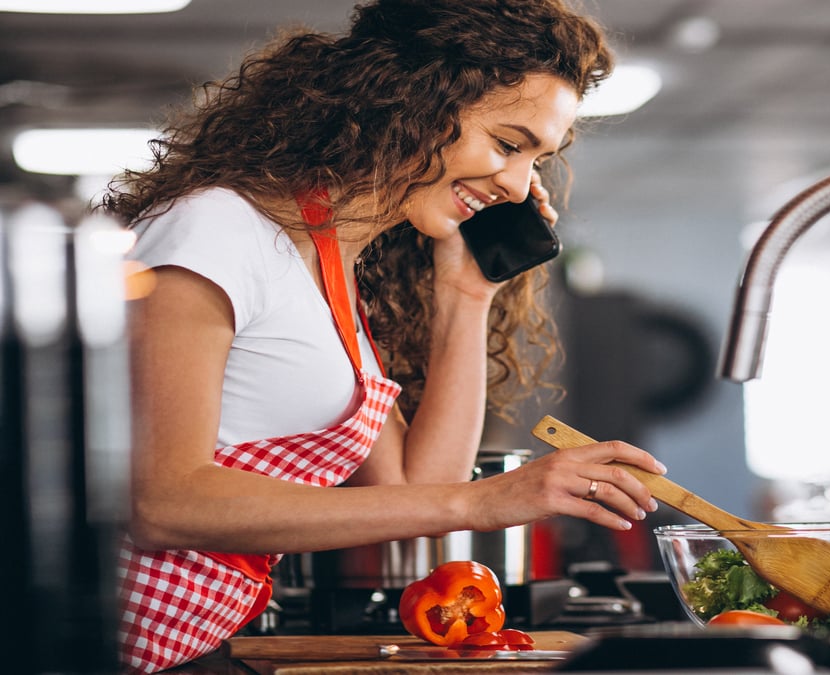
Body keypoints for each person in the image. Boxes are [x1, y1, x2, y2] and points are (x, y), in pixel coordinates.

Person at [102, 0, 665, 671]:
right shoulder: (214, 229)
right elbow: (163, 500)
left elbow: (412, 489)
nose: (519, 187)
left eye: (536, 159)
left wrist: (465, 293)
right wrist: (485, 501)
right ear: (410, 103)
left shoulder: (330, 267)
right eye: (508, 145)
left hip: (189, 649)